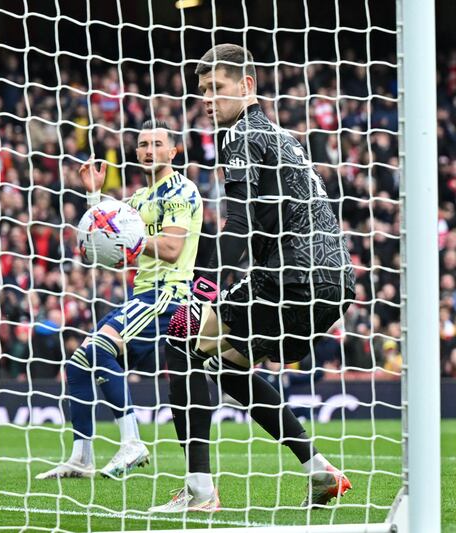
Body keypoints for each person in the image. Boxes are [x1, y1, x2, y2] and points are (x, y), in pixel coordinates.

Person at [149, 44, 356, 512]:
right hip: (335, 281)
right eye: (201, 91)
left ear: (246, 86)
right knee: (227, 364)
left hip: (289, 277)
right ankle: (319, 470)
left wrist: (199, 284)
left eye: (216, 88)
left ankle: (199, 491)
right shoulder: (283, 137)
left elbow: (240, 225)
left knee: (181, 334)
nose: (206, 99)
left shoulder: (239, 135)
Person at [36, 120, 203, 479]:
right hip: (142, 295)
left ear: (173, 152)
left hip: (169, 295)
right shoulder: (137, 199)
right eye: (143, 144)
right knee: (78, 365)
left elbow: (172, 249)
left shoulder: (180, 190)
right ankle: (82, 456)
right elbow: (107, 242)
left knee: (97, 350)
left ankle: (132, 443)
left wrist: (130, 240)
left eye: (157, 144)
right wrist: (95, 198)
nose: (148, 150)